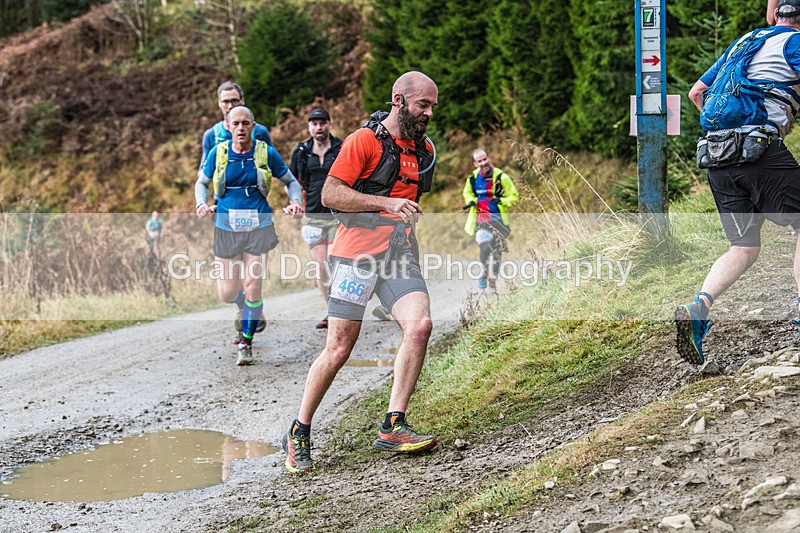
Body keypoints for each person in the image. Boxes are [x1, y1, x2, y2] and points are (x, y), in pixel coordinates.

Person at [282, 71, 439, 473]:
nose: (430, 113)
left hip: (398, 253)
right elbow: (331, 194)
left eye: (433, 105)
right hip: (355, 255)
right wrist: (384, 205)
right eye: (424, 104)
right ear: (399, 100)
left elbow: (412, 199)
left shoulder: (424, 150)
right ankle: (299, 429)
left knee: (419, 326)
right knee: (339, 348)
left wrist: (402, 225)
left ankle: (393, 424)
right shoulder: (363, 141)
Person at [679, 0, 800, 366]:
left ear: (775, 15)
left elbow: (696, 93)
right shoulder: (794, 44)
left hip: (717, 157)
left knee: (743, 247)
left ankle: (698, 307)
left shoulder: (744, 41)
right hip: (758, 151)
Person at [195, 105, 304, 366]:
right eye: (236, 124)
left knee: (253, 286)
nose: (241, 128)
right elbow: (202, 182)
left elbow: (291, 181)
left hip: (259, 224)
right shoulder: (218, 153)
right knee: (227, 292)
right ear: (228, 127)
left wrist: (296, 202)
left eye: (246, 123)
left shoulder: (265, 152)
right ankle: (248, 309)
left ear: (253, 127)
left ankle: (246, 342)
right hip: (226, 227)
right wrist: (201, 204)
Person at [198, 81, 273, 342]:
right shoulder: (211, 135)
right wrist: (204, 202)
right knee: (228, 288)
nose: (230, 105)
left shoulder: (259, 131)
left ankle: (250, 312)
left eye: (234, 100)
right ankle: (243, 304)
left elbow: (267, 165)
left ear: (242, 100)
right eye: (225, 101)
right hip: (222, 212)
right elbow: (203, 173)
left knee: (251, 277)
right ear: (219, 105)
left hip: (254, 212)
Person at [290, 107, 343, 330]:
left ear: (329, 124)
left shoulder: (341, 148)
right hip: (312, 216)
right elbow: (291, 180)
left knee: (335, 262)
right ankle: (331, 311)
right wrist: (295, 203)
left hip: (338, 215)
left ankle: (342, 309)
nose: (318, 127)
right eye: (314, 123)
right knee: (320, 267)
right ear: (309, 127)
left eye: (322, 123)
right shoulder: (301, 151)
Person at [462, 149, 519, 291]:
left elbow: (514, 196)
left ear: (489, 158)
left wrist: (501, 200)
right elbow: (467, 193)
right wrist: (471, 201)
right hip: (481, 221)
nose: (483, 163)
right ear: (475, 163)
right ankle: (484, 273)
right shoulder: (472, 179)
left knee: (497, 253)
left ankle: (492, 282)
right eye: (479, 161)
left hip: (499, 220)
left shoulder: (501, 177)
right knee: (485, 249)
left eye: (484, 159)